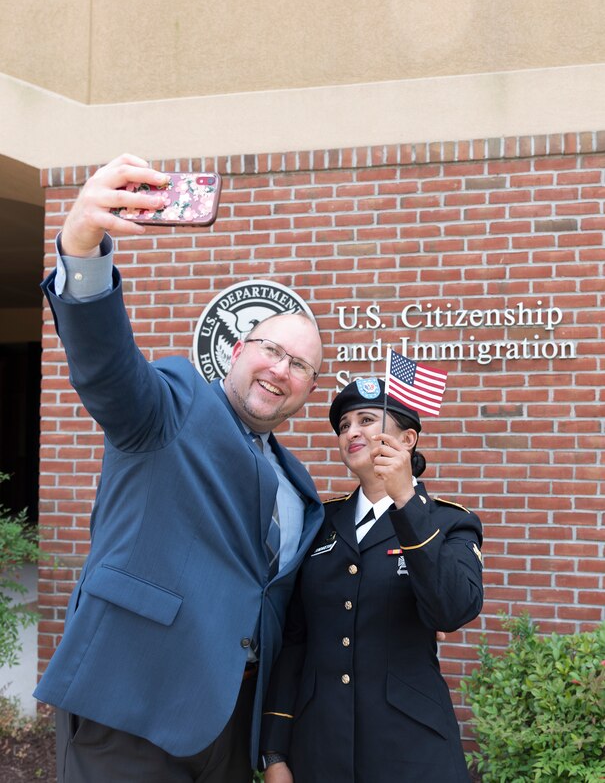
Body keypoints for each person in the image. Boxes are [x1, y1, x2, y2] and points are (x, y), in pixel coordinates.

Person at [34, 154, 325, 783]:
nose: (282, 369)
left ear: (308, 389)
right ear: (238, 350)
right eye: (272, 349)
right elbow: (109, 370)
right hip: (131, 705)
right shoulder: (174, 403)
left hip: (228, 722)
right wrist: (83, 249)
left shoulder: (299, 484)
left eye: (300, 366)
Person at [260, 378, 484, 783]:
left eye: (366, 420)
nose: (352, 432)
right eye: (344, 425)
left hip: (412, 751)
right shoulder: (322, 521)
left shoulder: (449, 521)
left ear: (408, 438)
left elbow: (451, 610)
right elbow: (295, 640)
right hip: (320, 749)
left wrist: (405, 503)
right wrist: (274, 751)